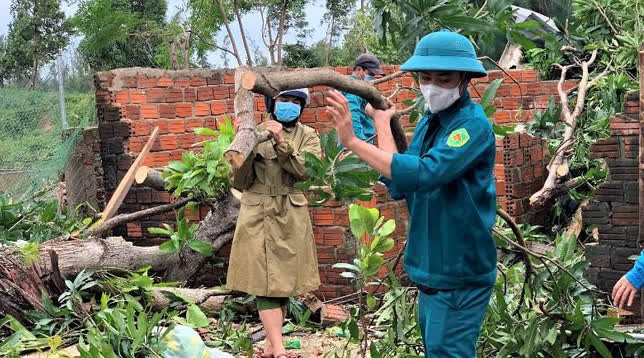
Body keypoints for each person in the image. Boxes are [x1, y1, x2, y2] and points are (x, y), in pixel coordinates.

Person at [326, 30, 497, 357]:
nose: (432, 85)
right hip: (430, 273)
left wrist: (352, 142)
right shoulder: (430, 122)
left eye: (443, 79)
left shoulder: (471, 126)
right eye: (426, 77)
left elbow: (425, 172)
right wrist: (381, 123)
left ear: (465, 79)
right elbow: (400, 181)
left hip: (458, 275)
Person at [227, 88, 321, 358]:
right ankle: (279, 349)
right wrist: (242, 142)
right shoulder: (254, 133)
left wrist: (281, 141)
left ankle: (269, 346)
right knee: (263, 280)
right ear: (271, 102)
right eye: (284, 100)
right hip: (257, 212)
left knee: (282, 281)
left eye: (295, 102)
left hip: (291, 212)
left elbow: (306, 172)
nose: (290, 105)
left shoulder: (308, 135)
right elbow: (240, 181)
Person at [342, 54, 385, 144]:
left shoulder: (359, 87)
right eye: (370, 74)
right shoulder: (355, 88)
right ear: (358, 69)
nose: (373, 77)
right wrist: (360, 143)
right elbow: (352, 115)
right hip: (360, 141)